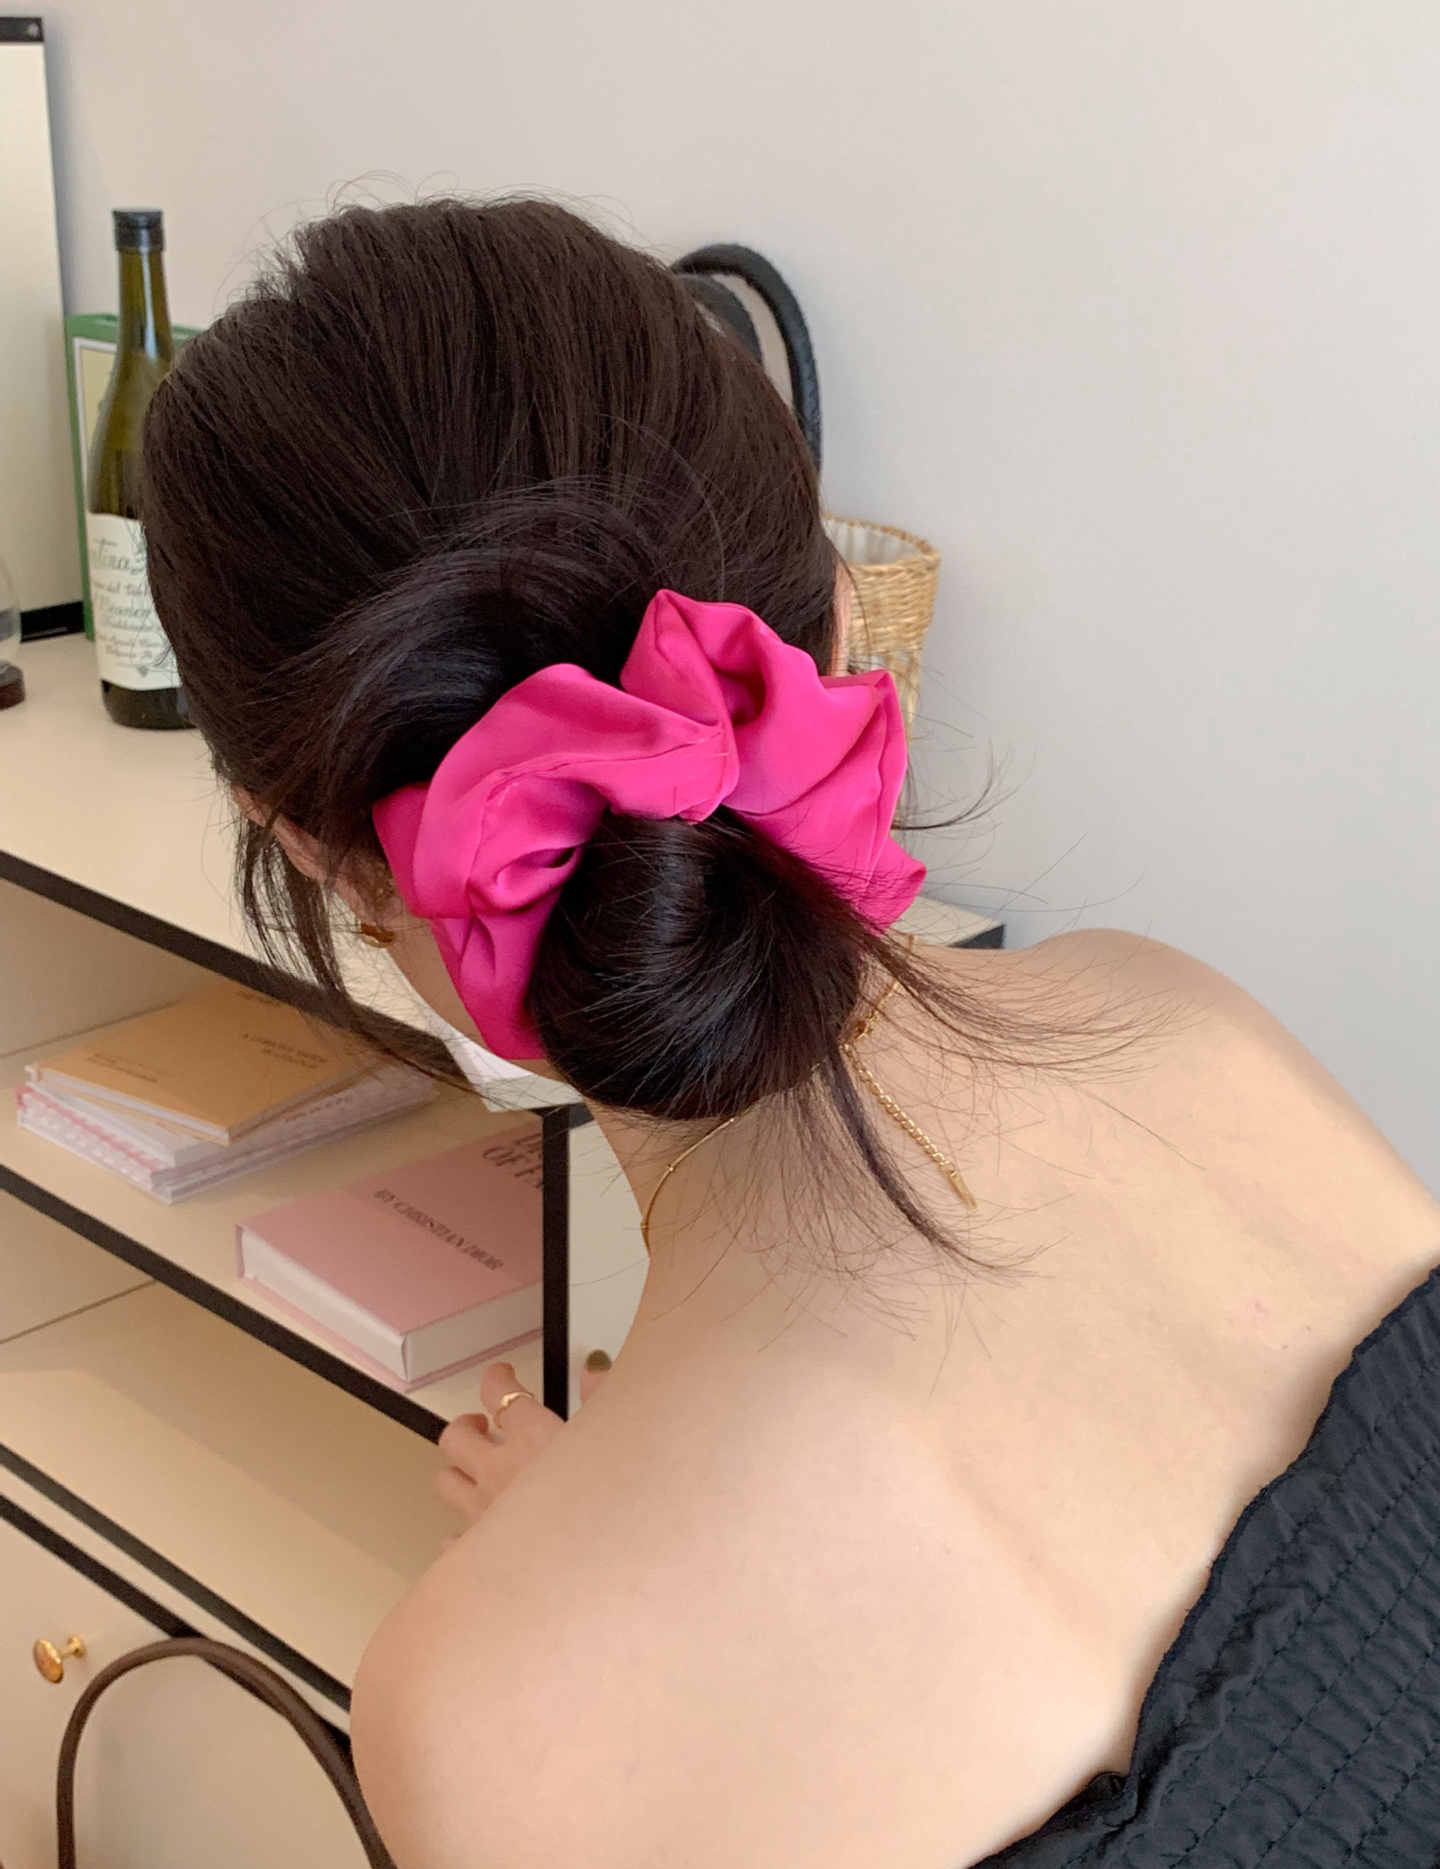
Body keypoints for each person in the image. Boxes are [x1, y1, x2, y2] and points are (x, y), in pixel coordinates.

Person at [141, 197, 1440, 1869]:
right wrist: (607, 1560)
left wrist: (589, 1600)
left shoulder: (498, 1721)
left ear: (313, 850)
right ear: (831, 618)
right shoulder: (1180, 1021)